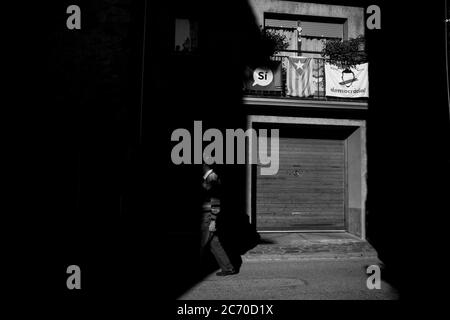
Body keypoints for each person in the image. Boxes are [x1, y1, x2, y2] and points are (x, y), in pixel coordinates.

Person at [200, 163, 237, 276]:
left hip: (207, 219)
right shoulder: (209, 178)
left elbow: (216, 203)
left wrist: (213, 221)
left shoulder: (212, 179)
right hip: (206, 217)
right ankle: (228, 268)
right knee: (214, 243)